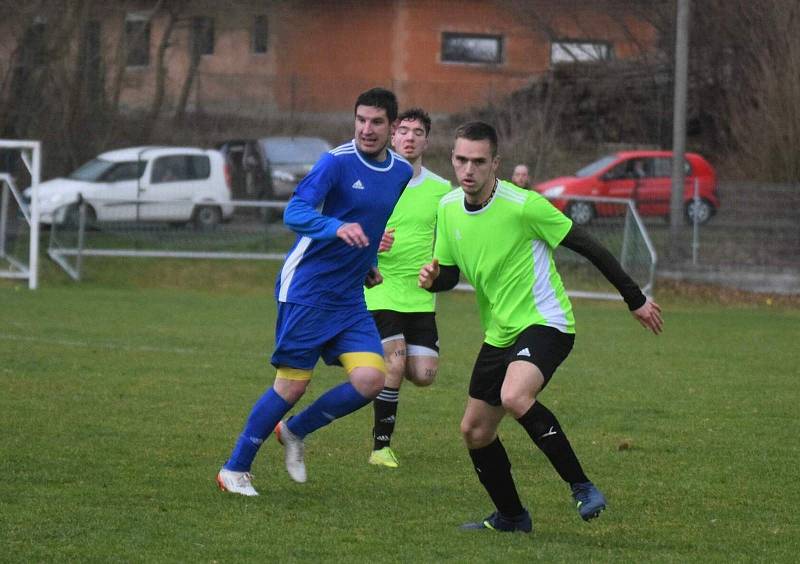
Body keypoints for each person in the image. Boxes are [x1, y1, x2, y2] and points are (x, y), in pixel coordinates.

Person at [418, 121, 663, 532]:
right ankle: (512, 517)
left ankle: (582, 487)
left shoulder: (524, 205)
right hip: (500, 331)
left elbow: (588, 245)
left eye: (479, 161)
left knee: (515, 395)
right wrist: (433, 278)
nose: (468, 169)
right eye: (461, 159)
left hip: (547, 322)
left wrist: (634, 299)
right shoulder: (447, 208)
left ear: (495, 163)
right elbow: (451, 274)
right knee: (475, 430)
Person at [216, 87, 413, 496]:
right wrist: (335, 227)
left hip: (348, 296)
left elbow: (369, 222)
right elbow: (295, 211)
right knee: (291, 386)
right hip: (307, 288)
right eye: (361, 120)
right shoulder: (336, 162)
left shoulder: (400, 173)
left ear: (393, 128)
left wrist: (367, 265)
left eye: (377, 122)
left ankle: (294, 431)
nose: (366, 129)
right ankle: (234, 469)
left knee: (371, 380)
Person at [364, 108, 452, 468]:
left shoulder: (442, 190)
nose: (409, 137)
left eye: (418, 131)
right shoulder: (374, 180)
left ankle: (363, 358)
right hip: (379, 286)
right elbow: (347, 225)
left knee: (424, 375)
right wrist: (372, 241)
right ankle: (380, 448)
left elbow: (448, 246)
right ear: (392, 137)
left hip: (419, 295)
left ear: (427, 141)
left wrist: (437, 271)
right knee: (394, 363)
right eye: (403, 130)